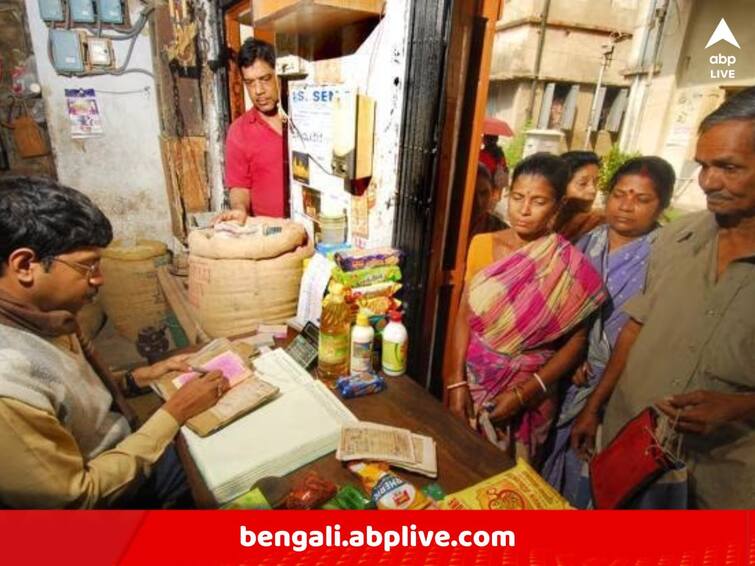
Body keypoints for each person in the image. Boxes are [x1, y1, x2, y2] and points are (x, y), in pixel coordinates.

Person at [570, 87, 755, 509]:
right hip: (631, 454)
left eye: (728, 167)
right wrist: (594, 408)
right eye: (703, 166)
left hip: (720, 484)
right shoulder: (676, 239)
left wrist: (740, 406)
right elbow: (635, 330)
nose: (708, 181)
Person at [0, 177, 230, 509]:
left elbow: (72, 397)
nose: (99, 279)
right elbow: (79, 500)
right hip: (110, 503)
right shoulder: (9, 387)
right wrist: (175, 412)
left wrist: (140, 377)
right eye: (87, 265)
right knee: (221, 480)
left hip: (123, 445)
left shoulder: (46, 315)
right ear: (24, 265)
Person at [445, 153, 607, 463]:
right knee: (461, 467)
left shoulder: (568, 266)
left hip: (533, 393)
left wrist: (524, 395)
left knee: (511, 484)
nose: (524, 209)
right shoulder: (483, 243)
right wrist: (456, 382)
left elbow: (576, 343)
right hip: (476, 380)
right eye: (517, 197)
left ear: (558, 206)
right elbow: (465, 316)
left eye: (538, 201)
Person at [541, 156, 675, 506]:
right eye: (620, 194)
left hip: (619, 385)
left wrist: (595, 405)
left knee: (592, 471)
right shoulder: (588, 239)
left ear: (662, 204)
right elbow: (561, 305)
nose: (626, 206)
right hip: (569, 374)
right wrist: (570, 354)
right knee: (548, 461)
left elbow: (638, 332)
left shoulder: (665, 257)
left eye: (642, 199)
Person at [217, 38, 286, 225]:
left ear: (278, 74)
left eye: (265, 79)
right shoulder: (239, 131)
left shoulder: (303, 116)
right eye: (250, 83)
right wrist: (239, 209)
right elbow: (239, 186)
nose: (258, 91)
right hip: (270, 233)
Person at [555, 151, 604, 242]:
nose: (593, 190)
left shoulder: (599, 225)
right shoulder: (542, 222)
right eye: (583, 184)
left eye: (595, 183)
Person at [469, 163, 506, 238]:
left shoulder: (501, 231)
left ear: (492, 192)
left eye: (484, 193)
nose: (478, 202)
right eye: (471, 194)